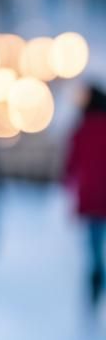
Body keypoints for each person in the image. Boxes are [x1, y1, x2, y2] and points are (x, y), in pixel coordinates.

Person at [63, 84, 106, 314]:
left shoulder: (82, 128)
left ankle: (95, 293)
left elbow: (71, 163)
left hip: (90, 200)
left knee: (95, 253)